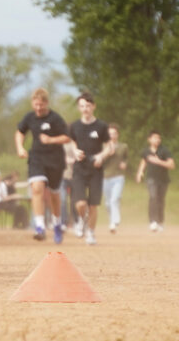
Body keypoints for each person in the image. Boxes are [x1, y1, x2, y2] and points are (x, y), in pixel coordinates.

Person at [15, 87, 72, 243]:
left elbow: (67, 137)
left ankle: (57, 224)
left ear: (46, 103)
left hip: (55, 160)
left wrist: (51, 140)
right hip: (36, 158)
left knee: (54, 195)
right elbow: (20, 132)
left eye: (41, 105)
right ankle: (39, 226)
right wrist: (20, 147)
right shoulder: (30, 117)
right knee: (37, 188)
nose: (38, 108)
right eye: (36, 105)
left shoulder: (56, 119)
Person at [67, 92, 113, 245]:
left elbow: (109, 147)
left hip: (95, 169)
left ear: (93, 106)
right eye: (82, 106)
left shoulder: (101, 126)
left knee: (93, 204)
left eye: (87, 106)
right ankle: (81, 220)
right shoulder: (74, 126)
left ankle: (91, 233)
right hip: (79, 168)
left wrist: (101, 156)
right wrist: (75, 151)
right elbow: (71, 143)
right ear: (79, 108)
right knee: (80, 203)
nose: (85, 109)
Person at [135, 130, 174, 233]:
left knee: (161, 200)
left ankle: (160, 222)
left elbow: (171, 165)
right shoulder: (146, 151)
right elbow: (143, 162)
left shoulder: (164, 151)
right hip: (151, 179)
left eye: (159, 138)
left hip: (163, 180)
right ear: (149, 139)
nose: (157, 140)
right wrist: (140, 173)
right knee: (153, 198)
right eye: (155, 138)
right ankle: (153, 221)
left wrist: (159, 161)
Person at [102, 124, 127, 234]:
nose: (112, 136)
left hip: (118, 177)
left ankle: (114, 222)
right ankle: (112, 220)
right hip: (105, 177)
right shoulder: (103, 147)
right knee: (108, 202)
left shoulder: (123, 146)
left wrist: (124, 163)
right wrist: (107, 154)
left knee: (114, 199)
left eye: (114, 133)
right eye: (110, 134)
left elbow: (126, 158)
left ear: (118, 135)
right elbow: (99, 161)